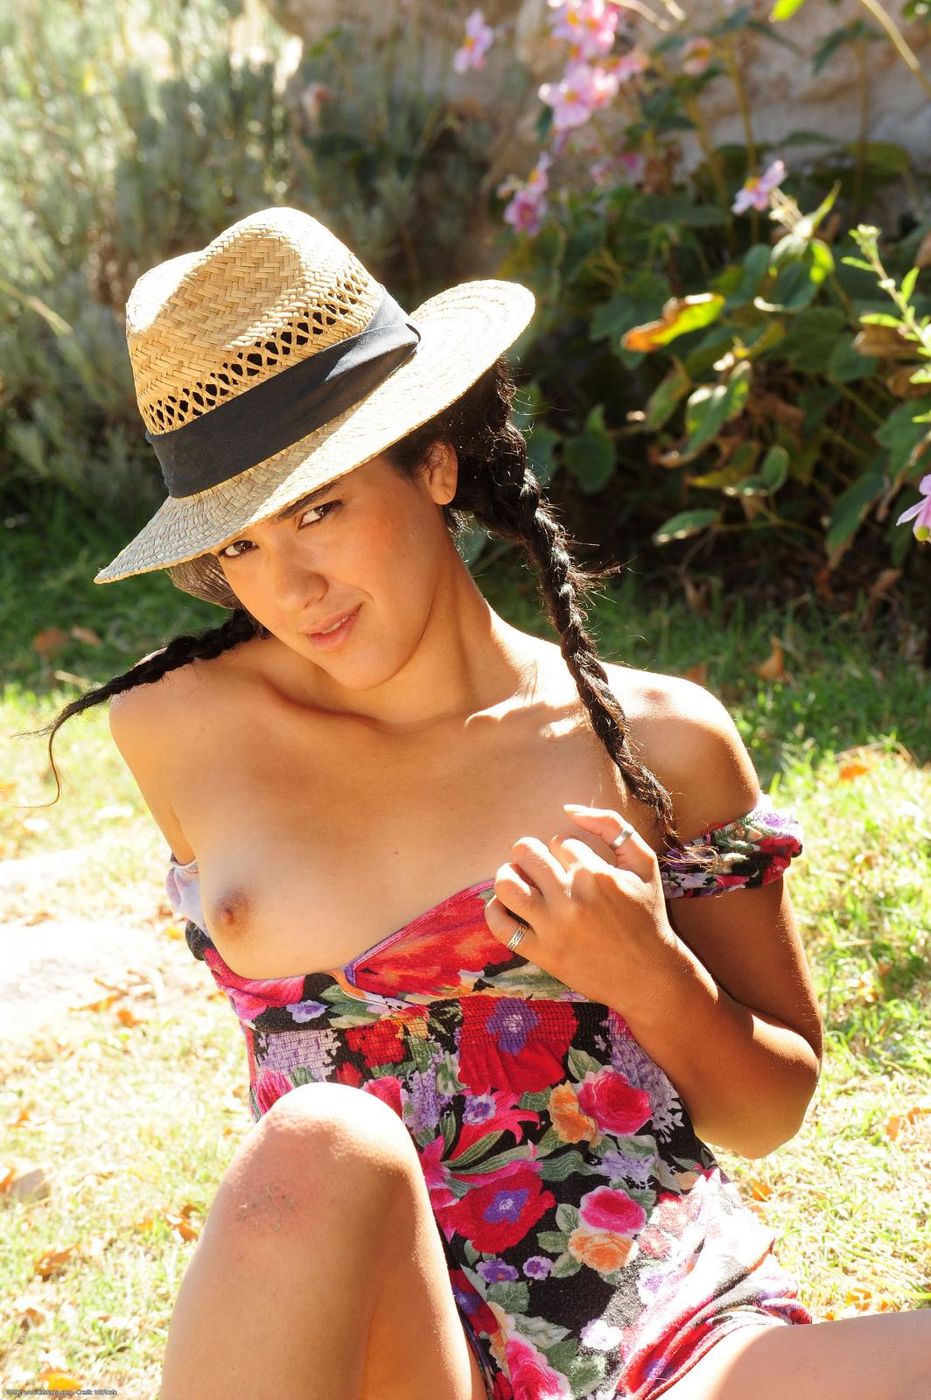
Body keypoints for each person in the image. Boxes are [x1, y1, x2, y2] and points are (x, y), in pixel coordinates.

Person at [49, 207, 929, 1400]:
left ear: (434, 462)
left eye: (317, 510)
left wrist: (651, 972)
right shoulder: (178, 731)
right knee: (324, 1140)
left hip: (671, 1339)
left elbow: (769, 1104)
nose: (290, 588)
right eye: (239, 547)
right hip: (398, 1354)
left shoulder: (652, 741)